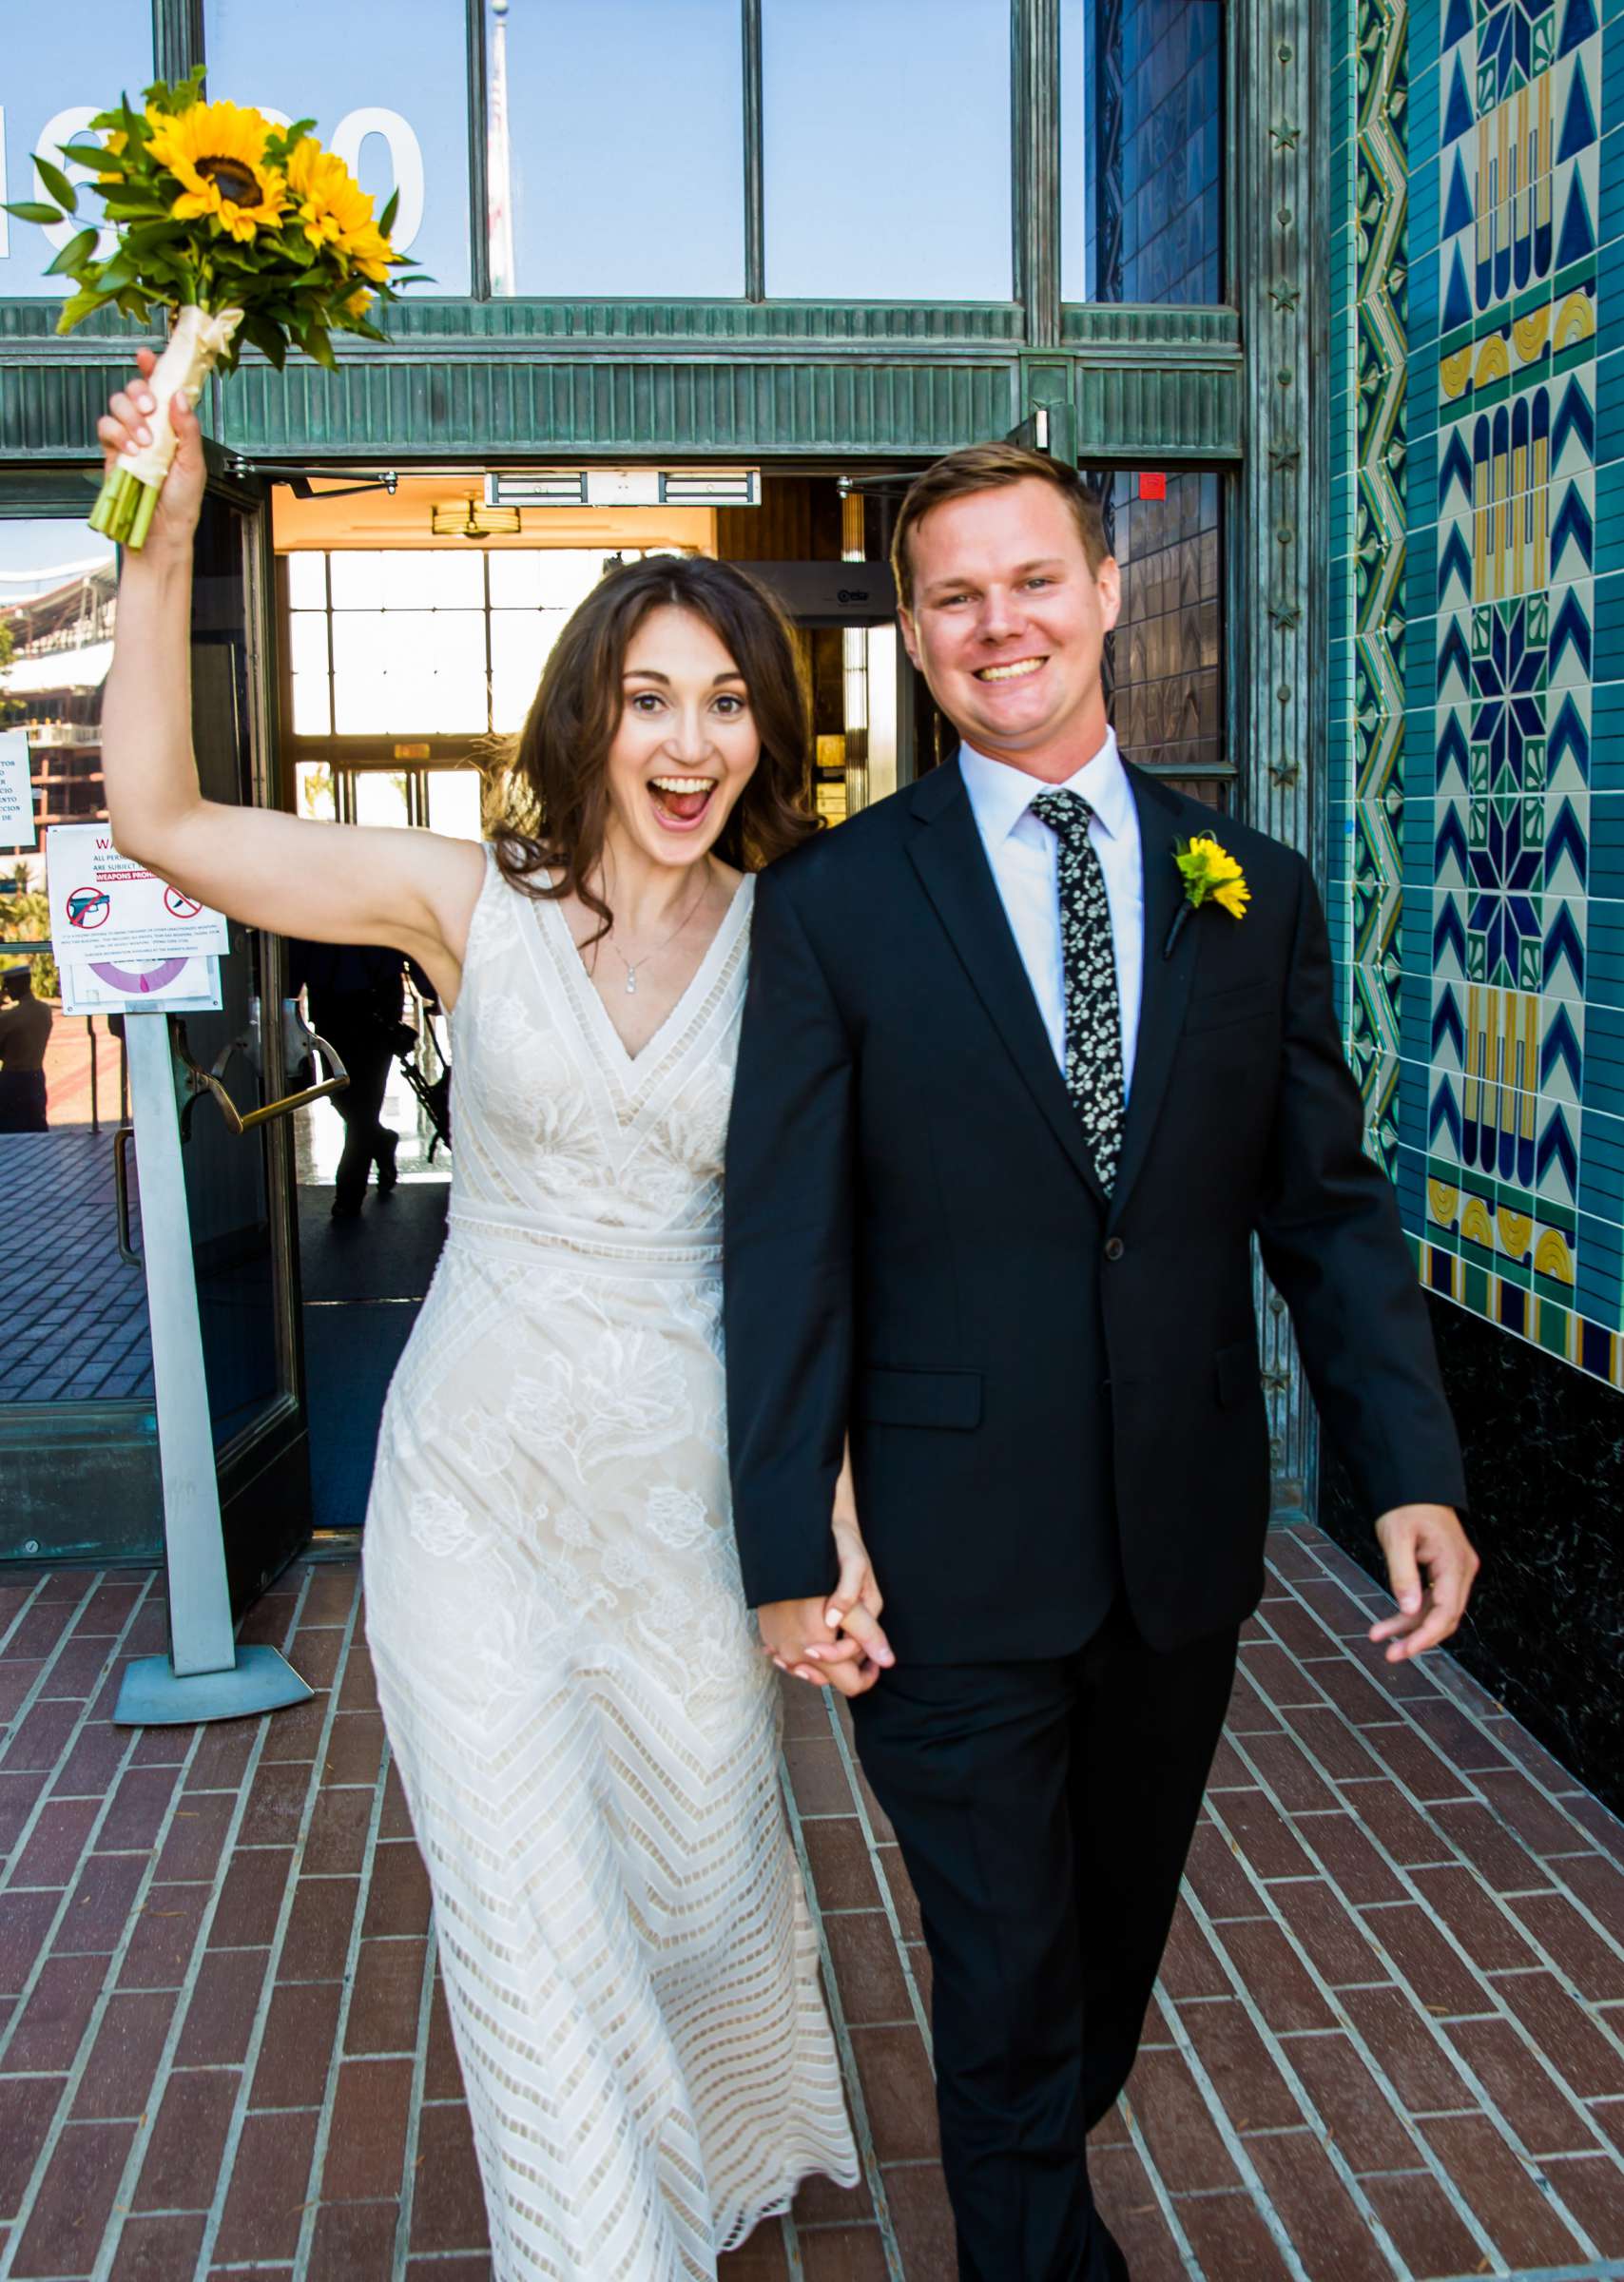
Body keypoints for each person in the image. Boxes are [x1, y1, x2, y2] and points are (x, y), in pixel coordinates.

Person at [96, 354, 860, 2279]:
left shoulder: (810, 947)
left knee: (690, 1890)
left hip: (684, 1502)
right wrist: (164, 533)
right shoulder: (466, 903)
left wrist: (829, 1523)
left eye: (723, 706)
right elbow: (165, 817)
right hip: (473, 1498)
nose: (685, 745)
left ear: (767, 733)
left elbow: (839, 1256)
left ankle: (698, 2163)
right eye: (643, 701)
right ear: (585, 722)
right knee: (517, 1918)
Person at [724, 443, 1479, 2282]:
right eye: (955, 595)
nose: (1000, 625)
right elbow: (782, 1248)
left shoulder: (1252, 888)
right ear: (912, 633)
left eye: (1032, 579)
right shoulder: (833, 905)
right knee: (1000, 1987)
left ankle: (1036, 2198)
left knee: (1099, 1968)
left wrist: (1410, 1466)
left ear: (1107, 590)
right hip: (943, 1558)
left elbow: (1322, 1208)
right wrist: (783, 1546)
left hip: (1176, 1548)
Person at [287, 937, 430, 1216]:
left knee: (363, 1104)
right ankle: (382, 1141)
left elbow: (408, 939)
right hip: (332, 1006)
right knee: (341, 1096)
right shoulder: (314, 900)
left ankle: (349, 1195)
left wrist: (431, 988)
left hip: (375, 1005)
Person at [0, 965, 52, 1131]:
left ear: (18, 985)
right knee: (36, 1124)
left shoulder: (9, 1017)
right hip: (36, 1076)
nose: (6, 990)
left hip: (12, 1078)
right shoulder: (45, 1010)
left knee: (10, 1128)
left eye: (7, 985)